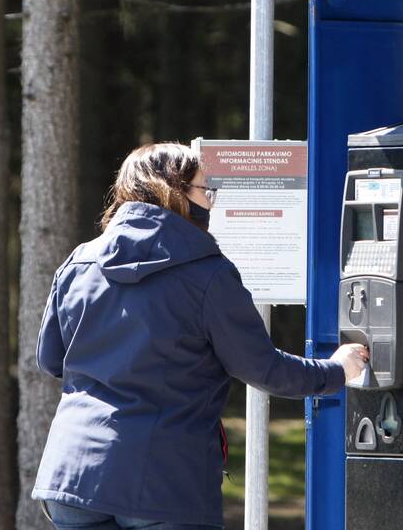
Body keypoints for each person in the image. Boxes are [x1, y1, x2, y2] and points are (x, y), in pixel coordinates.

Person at [31, 142, 368, 529]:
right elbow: (264, 369)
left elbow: (50, 359)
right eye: (206, 190)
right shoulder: (207, 274)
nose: (211, 202)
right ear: (172, 191)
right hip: (164, 484)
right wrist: (336, 370)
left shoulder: (79, 262)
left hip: (72, 477)